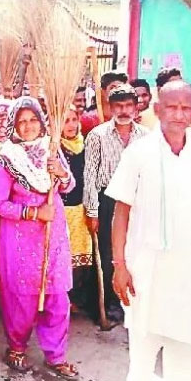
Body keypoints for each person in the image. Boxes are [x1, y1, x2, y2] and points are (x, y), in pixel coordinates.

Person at [107, 80, 191, 381]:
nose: (178, 115)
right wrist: (119, 265)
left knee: (184, 366)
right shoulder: (139, 153)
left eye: (185, 108)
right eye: (171, 107)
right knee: (141, 367)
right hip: (147, 273)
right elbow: (120, 212)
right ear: (156, 110)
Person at [0, 96, 79, 381]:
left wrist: (61, 173)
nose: (28, 127)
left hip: (53, 237)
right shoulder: (6, 158)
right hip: (20, 239)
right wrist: (34, 212)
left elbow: (68, 186)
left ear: (41, 122)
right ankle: (16, 348)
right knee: (22, 300)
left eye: (33, 120)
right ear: (14, 125)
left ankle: (56, 355)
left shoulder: (50, 149)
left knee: (56, 298)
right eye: (22, 122)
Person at [83, 84, 148, 323]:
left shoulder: (146, 137)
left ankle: (133, 299)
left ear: (136, 107)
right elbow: (89, 177)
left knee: (136, 250)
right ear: (110, 108)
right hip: (107, 200)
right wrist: (92, 211)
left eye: (128, 105)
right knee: (110, 253)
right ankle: (109, 303)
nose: (123, 110)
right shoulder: (97, 136)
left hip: (138, 201)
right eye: (118, 106)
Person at [60, 106, 92, 312]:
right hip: (61, 211)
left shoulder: (86, 145)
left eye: (74, 120)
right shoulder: (54, 149)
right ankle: (61, 298)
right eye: (66, 120)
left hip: (80, 209)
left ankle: (76, 298)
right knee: (62, 257)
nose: (71, 125)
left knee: (82, 255)